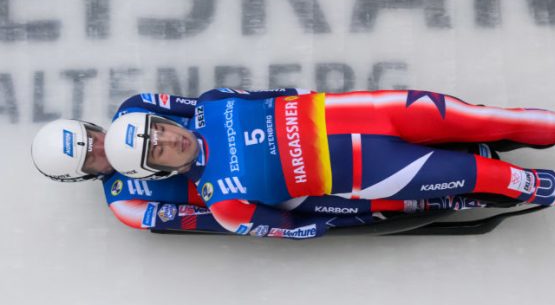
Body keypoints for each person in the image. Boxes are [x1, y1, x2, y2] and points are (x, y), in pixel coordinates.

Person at [104, 88, 555, 239]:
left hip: (378, 112)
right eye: (156, 149)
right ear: (160, 172)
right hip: (379, 168)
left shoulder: (210, 106)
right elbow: (303, 226)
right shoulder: (222, 201)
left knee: (486, 118)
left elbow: (274, 93)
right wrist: (362, 215)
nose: (168, 139)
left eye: (160, 129)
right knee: (504, 178)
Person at [31, 90, 501, 235]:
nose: (98, 149)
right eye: (90, 158)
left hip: (259, 148)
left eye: (90, 138)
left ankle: (456, 140)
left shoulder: (135, 111)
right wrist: (274, 222)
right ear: (83, 177)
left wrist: (280, 104)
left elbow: (201, 109)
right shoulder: (125, 204)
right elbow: (199, 221)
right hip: (252, 193)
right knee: (340, 201)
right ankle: (449, 195)